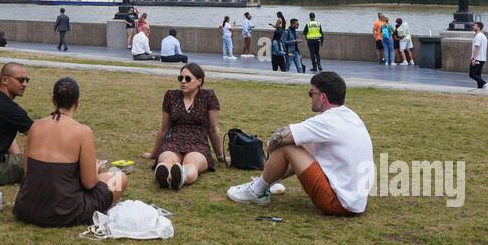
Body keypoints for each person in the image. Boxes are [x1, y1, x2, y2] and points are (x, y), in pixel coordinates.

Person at [227, 71, 373, 217]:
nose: (310, 97)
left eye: (311, 93)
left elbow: (283, 136)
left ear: (323, 97)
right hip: (355, 201)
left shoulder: (328, 120)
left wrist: (272, 144)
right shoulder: (350, 116)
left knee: (287, 146)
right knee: (307, 143)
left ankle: (257, 190)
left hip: (339, 203)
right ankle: (266, 183)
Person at [14, 77, 127, 227]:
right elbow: (89, 183)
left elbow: (28, 172)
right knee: (120, 178)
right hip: (65, 212)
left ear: (53, 100)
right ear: (77, 103)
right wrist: (95, 170)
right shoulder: (83, 132)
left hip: (27, 207)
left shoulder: (35, 127)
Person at [150, 62, 225, 190]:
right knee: (167, 161)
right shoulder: (171, 96)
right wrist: (153, 154)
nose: (183, 81)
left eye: (188, 78)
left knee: (191, 163)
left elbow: (213, 129)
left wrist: (220, 156)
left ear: (199, 81)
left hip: (198, 144)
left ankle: (182, 177)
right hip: (174, 142)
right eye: (181, 78)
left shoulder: (208, 97)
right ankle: (164, 177)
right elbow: (164, 129)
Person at [469, 20, 488, 89]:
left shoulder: (478, 36)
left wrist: (473, 58)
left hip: (477, 58)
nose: (473, 27)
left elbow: (476, 47)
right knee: (478, 75)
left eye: (474, 26)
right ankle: (480, 89)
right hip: (482, 59)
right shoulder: (483, 36)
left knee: (472, 74)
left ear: (478, 27)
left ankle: (485, 84)